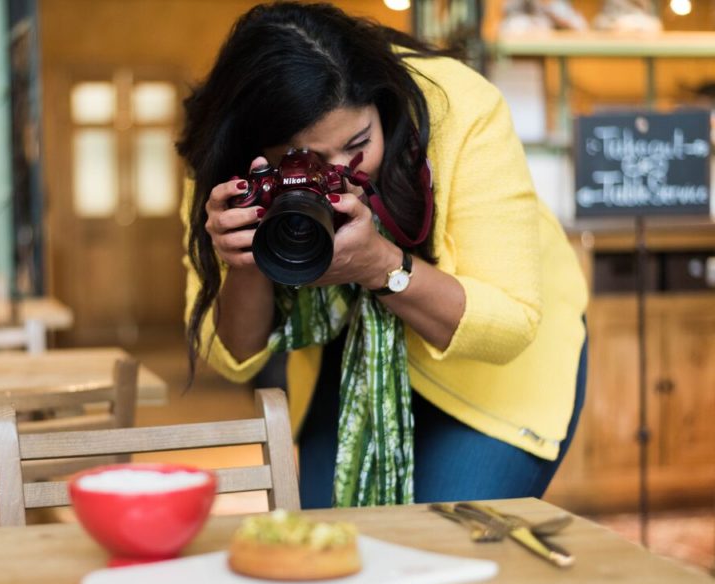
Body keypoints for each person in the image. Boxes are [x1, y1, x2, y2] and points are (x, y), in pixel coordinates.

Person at [177, 2, 589, 509]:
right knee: (339, 553)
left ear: (382, 106)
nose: (339, 176)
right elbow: (236, 359)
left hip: (496, 371)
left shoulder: (458, 106)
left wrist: (381, 266)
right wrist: (244, 260)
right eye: (301, 163)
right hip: (348, 357)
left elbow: (508, 324)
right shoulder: (223, 158)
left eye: (357, 144)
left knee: (442, 554)